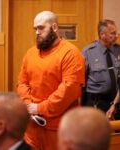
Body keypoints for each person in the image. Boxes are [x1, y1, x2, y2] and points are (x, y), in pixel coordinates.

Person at [17, 10, 85, 150]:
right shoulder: (30, 53)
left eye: (41, 28)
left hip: (59, 129)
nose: (37, 32)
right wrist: (29, 105)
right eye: (35, 29)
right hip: (32, 127)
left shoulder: (70, 53)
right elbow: (22, 83)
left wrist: (40, 108)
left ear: (54, 27)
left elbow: (69, 90)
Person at [81, 19, 120, 119]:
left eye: (116, 32)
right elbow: (80, 80)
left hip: (116, 101)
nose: (117, 36)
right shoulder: (88, 52)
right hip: (96, 103)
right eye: (113, 33)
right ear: (102, 35)